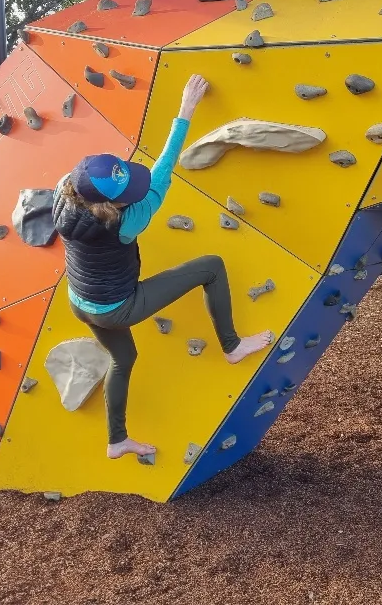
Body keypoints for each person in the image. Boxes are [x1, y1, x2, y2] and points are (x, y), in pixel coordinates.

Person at [52, 74, 273, 462]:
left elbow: (98, 179)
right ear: (114, 205)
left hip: (81, 302)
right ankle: (232, 346)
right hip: (119, 307)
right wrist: (185, 111)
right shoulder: (128, 220)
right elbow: (163, 171)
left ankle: (117, 441)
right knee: (212, 266)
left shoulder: (64, 192)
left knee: (124, 359)